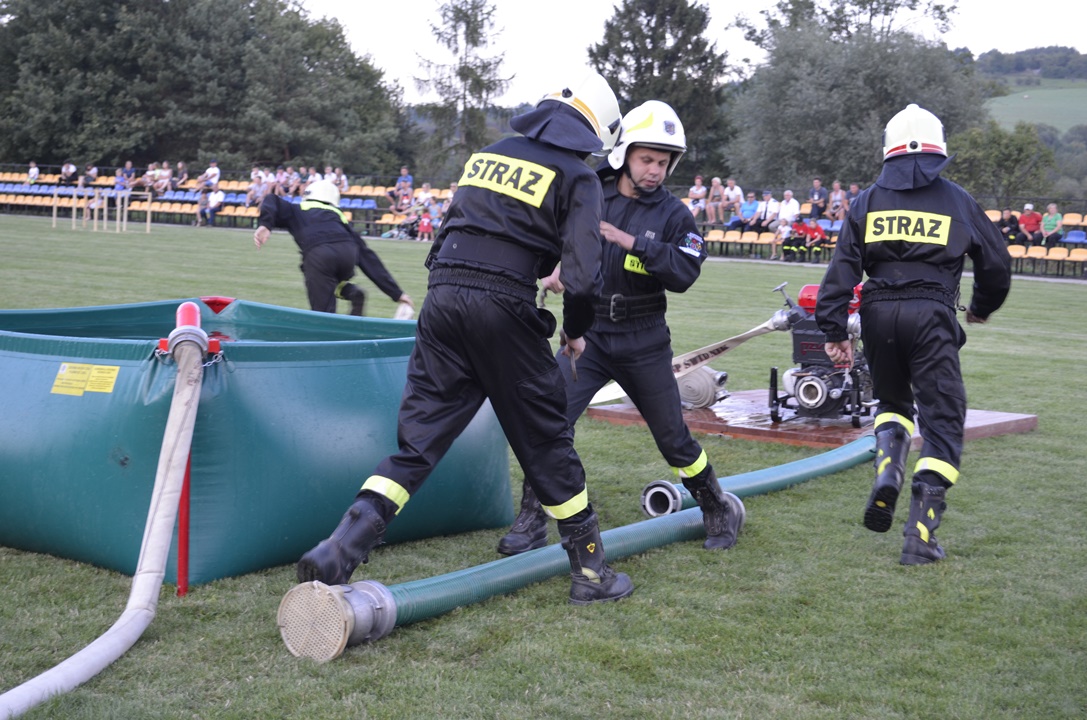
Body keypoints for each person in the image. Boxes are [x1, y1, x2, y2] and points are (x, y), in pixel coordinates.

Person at [294, 73, 634, 606]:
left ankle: (341, 545)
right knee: (547, 440)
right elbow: (585, 277)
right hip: (503, 309)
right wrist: (574, 331)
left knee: (418, 443)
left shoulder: (489, 155)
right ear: (596, 134)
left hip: (443, 299)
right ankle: (591, 572)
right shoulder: (579, 175)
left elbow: (462, 232)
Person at [496, 99, 745, 558]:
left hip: (644, 339)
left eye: (663, 162)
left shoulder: (674, 215)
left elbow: (684, 272)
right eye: (647, 159)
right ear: (624, 153)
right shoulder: (590, 190)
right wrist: (553, 267)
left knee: (673, 438)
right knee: (549, 423)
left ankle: (716, 508)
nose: (655, 170)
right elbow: (552, 237)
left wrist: (630, 241)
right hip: (586, 335)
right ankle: (531, 521)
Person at [815, 104, 1011, 566]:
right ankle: (920, 536)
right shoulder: (957, 200)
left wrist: (834, 329)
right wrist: (981, 307)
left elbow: (841, 269)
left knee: (892, 403)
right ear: (938, 151)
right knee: (943, 420)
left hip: (877, 314)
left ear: (890, 152)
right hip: (932, 314)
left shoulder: (866, 201)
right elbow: (997, 262)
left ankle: (888, 471)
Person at [254, 179, 412, 316]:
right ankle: (351, 293)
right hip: (348, 254)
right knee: (327, 277)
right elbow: (367, 257)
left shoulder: (297, 209)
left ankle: (328, 336)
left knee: (323, 314)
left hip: (320, 255)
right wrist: (396, 293)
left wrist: (265, 224)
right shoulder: (339, 218)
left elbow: (271, 199)